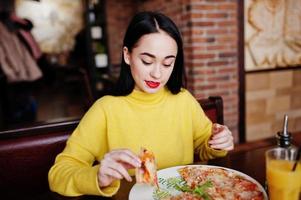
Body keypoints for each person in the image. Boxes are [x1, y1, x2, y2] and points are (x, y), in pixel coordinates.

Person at [48, 11, 234, 197]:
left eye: (167, 64)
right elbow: (58, 174)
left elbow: (204, 147)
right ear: (127, 55)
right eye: (147, 61)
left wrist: (217, 142)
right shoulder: (105, 109)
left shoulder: (183, 99)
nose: (157, 74)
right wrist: (97, 176)